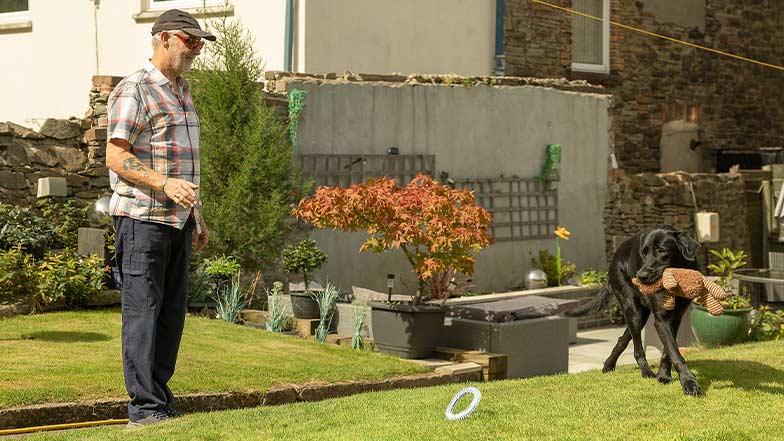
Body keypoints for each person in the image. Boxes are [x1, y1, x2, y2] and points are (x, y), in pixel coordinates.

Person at [105, 9, 213, 427]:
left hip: (178, 222)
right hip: (141, 221)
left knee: (171, 315)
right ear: (164, 38)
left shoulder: (183, 90)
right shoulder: (135, 89)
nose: (198, 48)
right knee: (143, 313)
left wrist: (196, 216)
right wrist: (164, 185)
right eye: (191, 41)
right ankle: (144, 408)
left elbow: (185, 164)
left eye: (201, 42)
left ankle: (160, 400)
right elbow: (116, 155)